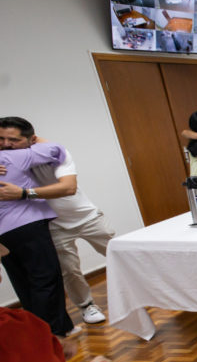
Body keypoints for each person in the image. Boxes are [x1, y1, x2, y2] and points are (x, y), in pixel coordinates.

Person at [0, 116, 114, 325]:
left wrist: (24, 193)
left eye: (13, 140)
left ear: (31, 139)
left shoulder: (50, 153)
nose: (7, 145)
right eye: (1, 139)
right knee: (69, 271)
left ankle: (144, 290)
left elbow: (68, 188)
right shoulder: (5, 160)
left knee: (118, 254)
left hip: (85, 216)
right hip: (53, 225)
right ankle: (87, 306)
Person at [0, 139, 75, 337]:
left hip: (3, 237)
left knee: (23, 283)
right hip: (26, 227)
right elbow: (56, 149)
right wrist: (33, 139)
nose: (7, 143)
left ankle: (47, 332)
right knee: (46, 279)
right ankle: (51, 335)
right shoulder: (10, 157)